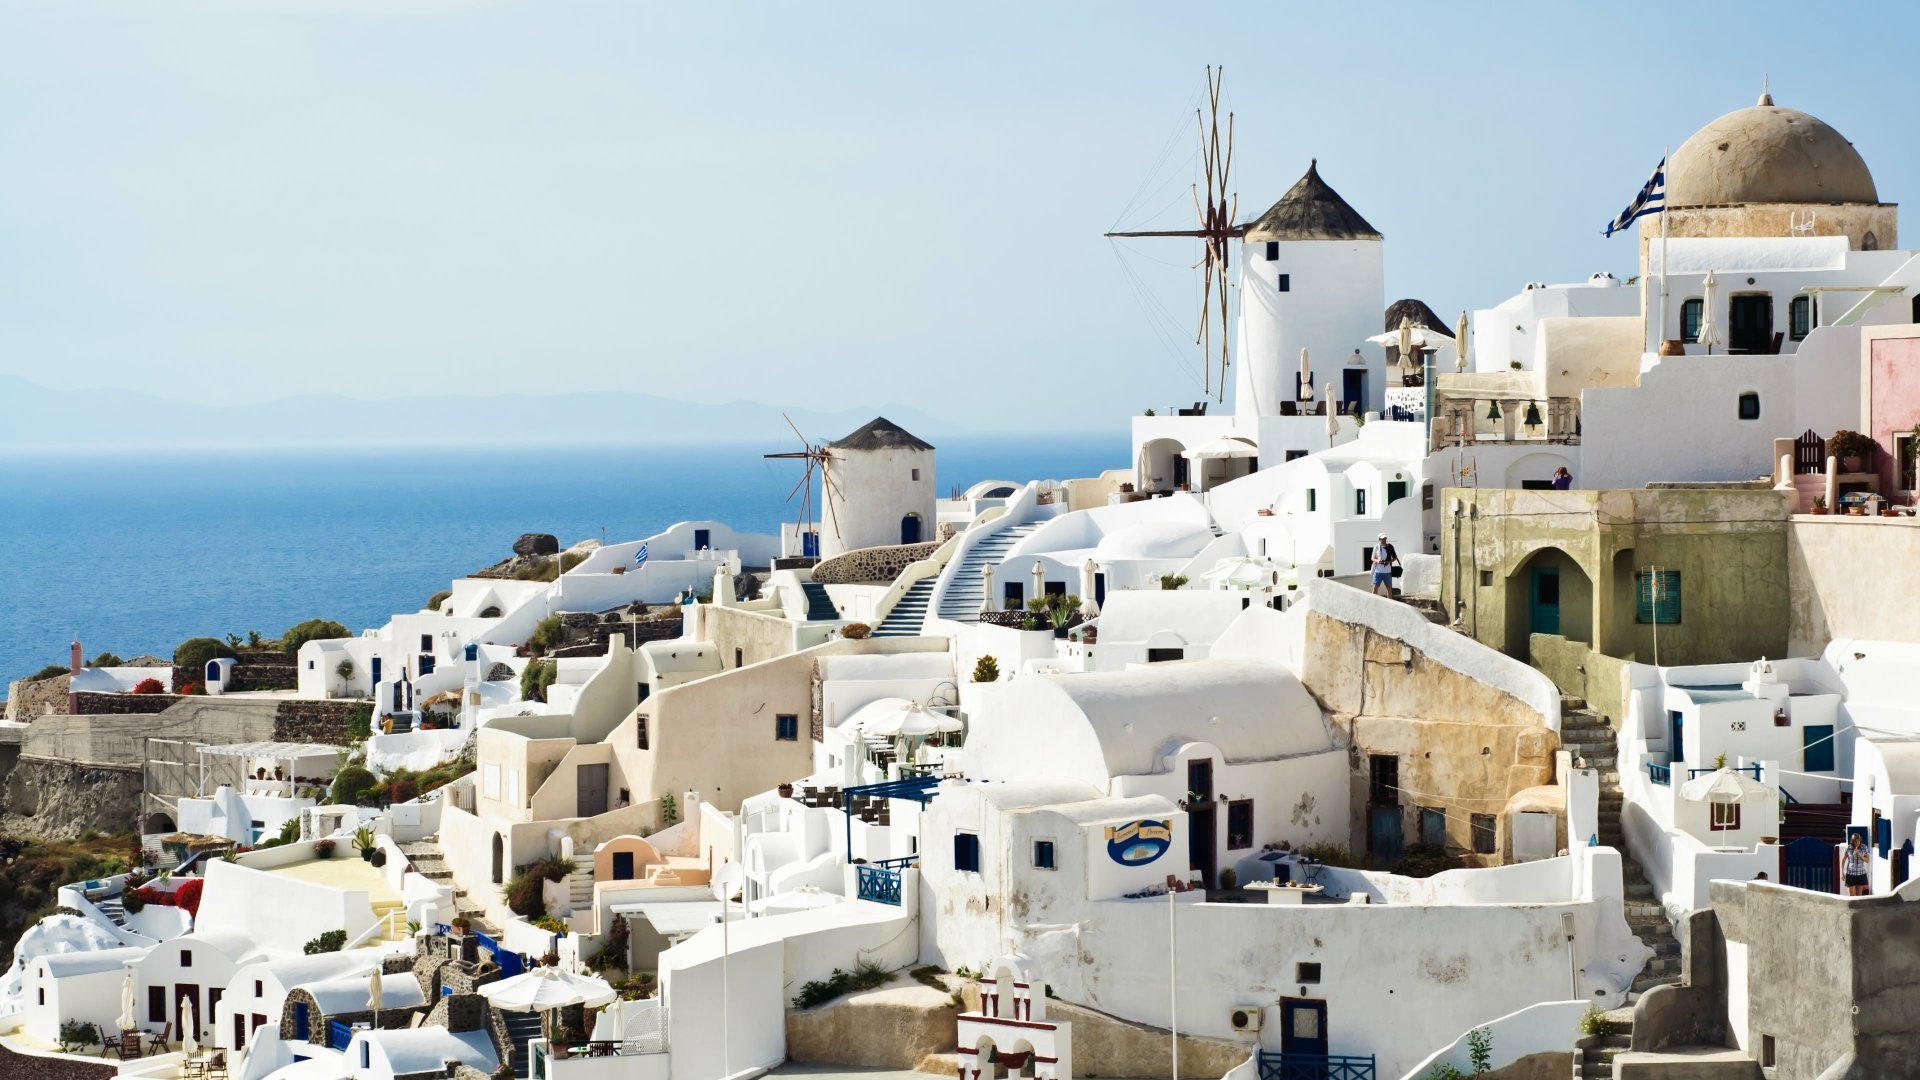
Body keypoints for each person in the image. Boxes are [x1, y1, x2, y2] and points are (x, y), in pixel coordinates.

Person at [1370, 532, 1399, 597]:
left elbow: (1395, 558)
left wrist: (1389, 562)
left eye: (1385, 538)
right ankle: (1373, 603)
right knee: (1375, 588)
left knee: (1389, 589)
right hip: (1378, 571)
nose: (1384, 540)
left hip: (1387, 571)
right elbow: (1372, 558)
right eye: (1383, 539)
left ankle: (1390, 603)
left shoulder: (1390, 546)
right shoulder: (1376, 547)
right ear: (1379, 539)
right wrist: (1378, 561)